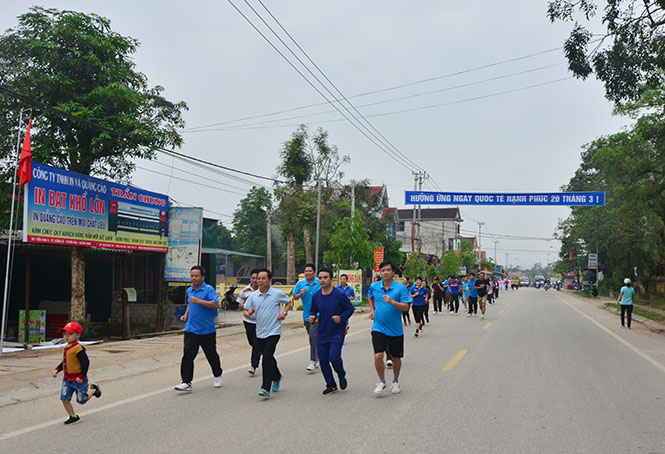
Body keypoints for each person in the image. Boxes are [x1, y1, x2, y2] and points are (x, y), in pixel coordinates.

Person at [243, 269, 291, 398]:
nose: (260, 281)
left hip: (274, 331)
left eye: (263, 278)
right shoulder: (253, 296)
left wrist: (284, 313)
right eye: (258, 278)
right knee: (268, 356)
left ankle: (265, 387)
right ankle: (277, 375)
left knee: (266, 357)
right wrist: (249, 313)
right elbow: (245, 311)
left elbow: (288, 302)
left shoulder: (276, 293)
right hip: (260, 332)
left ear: (269, 280)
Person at [175, 266, 223, 392]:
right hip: (191, 329)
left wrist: (199, 301)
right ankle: (186, 382)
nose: (193, 278)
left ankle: (217, 375)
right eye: (192, 276)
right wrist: (186, 314)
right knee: (187, 356)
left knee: (211, 355)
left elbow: (215, 304)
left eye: (196, 276)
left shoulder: (209, 289)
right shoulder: (189, 290)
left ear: (202, 277)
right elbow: (191, 304)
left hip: (207, 330)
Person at [368, 261, 412, 395]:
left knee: (396, 358)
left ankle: (395, 381)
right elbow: (370, 296)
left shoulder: (400, 288)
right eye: (383, 270)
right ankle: (382, 382)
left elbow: (406, 307)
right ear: (380, 272)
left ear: (393, 272)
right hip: (378, 327)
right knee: (378, 355)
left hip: (395, 329)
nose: (385, 272)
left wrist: (392, 302)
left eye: (388, 270)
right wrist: (372, 310)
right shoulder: (374, 286)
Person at [310, 268, 355, 394]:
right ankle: (330, 384)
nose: (323, 280)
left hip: (337, 332)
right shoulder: (316, 296)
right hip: (322, 332)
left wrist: (341, 318)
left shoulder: (339, 295)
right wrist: (312, 316)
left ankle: (341, 374)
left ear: (331, 279)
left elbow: (350, 309)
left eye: (325, 277)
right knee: (323, 360)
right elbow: (313, 310)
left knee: (334, 358)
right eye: (320, 278)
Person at [52, 321, 101, 424]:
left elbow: (86, 363)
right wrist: (57, 369)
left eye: (70, 334)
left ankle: (93, 389)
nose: (67, 336)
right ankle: (73, 416)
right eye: (65, 334)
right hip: (67, 379)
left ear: (78, 335)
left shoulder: (78, 349)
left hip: (78, 379)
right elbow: (65, 362)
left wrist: (82, 376)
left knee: (81, 400)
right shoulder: (66, 348)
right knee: (64, 398)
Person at [293, 264, 321, 371]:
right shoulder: (300, 284)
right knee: (313, 338)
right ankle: (318, 357)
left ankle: (312, 361)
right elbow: (294, 297)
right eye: (306, 271)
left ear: (314, 272)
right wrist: (300, 294)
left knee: (312, 337)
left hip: (319, 315)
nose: (308, 273)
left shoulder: (319, 282)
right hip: (307, 316)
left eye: (310, 271)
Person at [236, 269, 261, 375]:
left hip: (261, 322)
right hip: (248, 321)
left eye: (257, 278)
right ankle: (262, 351)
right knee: (252, 342)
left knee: (256, 343)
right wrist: (246, 306)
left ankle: (253, 365)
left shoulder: (264, 290)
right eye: (253, 278)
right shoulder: (245, 291)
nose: (255, 280)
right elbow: (239, 304)